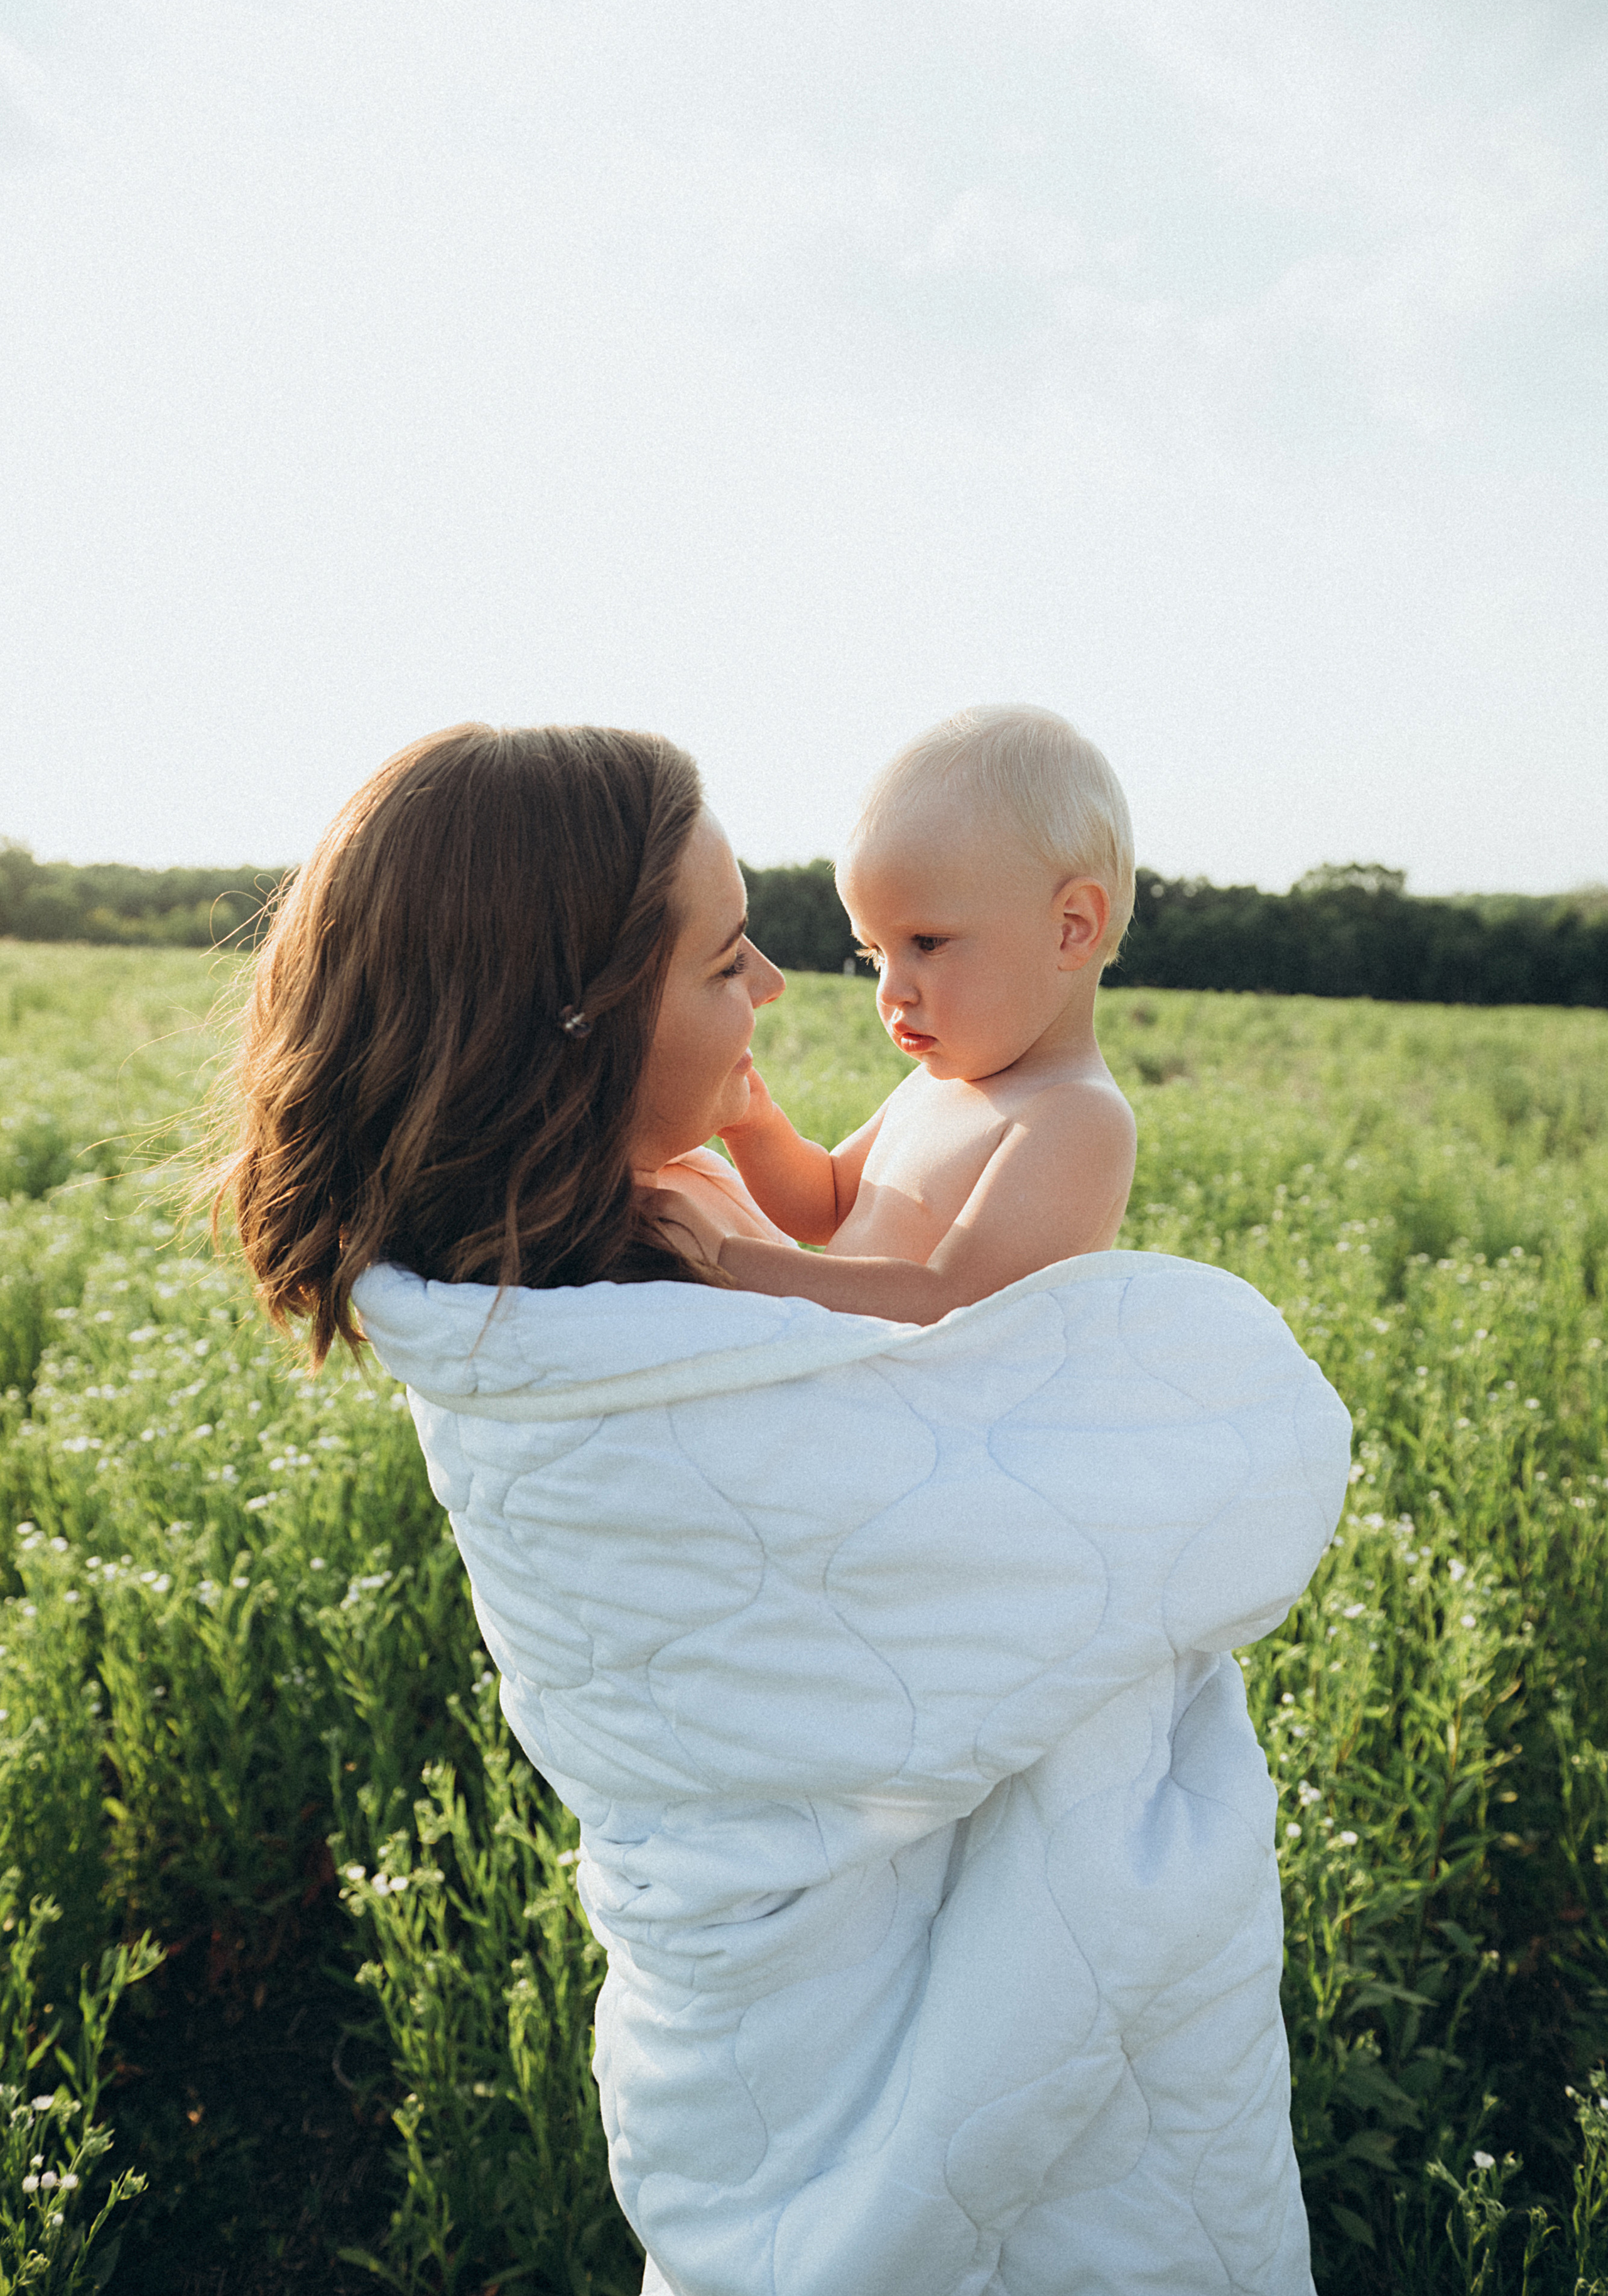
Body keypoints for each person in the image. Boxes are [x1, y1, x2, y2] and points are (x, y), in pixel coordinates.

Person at [218, 719, 1344, 2296]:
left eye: (918, 944)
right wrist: (757, 1167)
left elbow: (968, 1325)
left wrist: (740, 1240)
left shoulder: (1044, 1122)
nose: (801, 993)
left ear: (1071, 926)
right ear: (579, 1019)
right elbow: (842, 1244)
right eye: (735, 954)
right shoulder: (599, 1311)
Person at [650, 706, 1138, 1322]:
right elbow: (826, 1204)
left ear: (1071, 929)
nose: (891, 990)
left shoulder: (1074, 1117)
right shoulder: (941, 1084)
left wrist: (721, 1256)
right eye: (874, 952)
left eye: (927, 944)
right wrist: (756, 1125)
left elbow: (948, 1303)